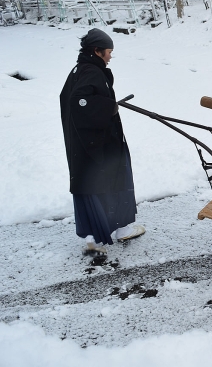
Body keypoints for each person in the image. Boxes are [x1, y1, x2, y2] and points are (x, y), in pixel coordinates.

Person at [60, 28, 145, 258]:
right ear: (97, 51)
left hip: (89, 144)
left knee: (105, 183)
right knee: (100, 184)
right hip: (94, 146)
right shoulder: (90, 72)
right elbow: (79, 103)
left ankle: (113, 231)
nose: (110, 56)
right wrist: (109, 107)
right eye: (108, 52)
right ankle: (96, 238)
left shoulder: (82, 69)